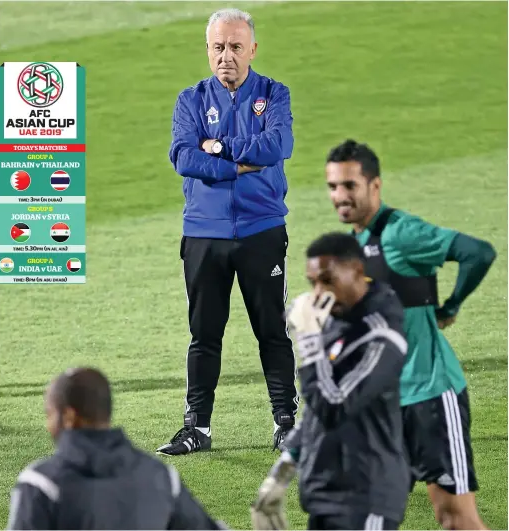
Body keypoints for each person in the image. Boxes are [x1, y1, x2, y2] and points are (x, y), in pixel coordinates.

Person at [324, 139, 496, 530]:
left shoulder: (402, 233)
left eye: (350, 185)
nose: (340, 196)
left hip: (430, 397)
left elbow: (478, 253)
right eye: (333, 186)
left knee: (455, 518)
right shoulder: (352, 246)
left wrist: (450, 306)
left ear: (374, 186)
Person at [160, 7, 297, 456]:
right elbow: (182, 156)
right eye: (218, 47)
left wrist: (217, 149)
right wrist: (242, 163)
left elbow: (278, 146)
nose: (226, 57)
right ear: (208, 50)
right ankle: (197, 427)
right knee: (204, 334)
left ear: (252, 49)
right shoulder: (191, 100)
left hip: (262, 230)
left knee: (271, 330)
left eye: (236, 47)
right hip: (204, 233)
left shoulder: (274, 93)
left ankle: (287, 422)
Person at [251, 233, 411, 530]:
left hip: (368, 496)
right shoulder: (335, 321)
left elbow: (333, 406)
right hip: (327, 494)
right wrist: (281, 472)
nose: (319, 293)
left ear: (358, 273)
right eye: (313, 283)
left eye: (328, 281)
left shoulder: (382, 335)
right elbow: (315, 410)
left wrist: (309, 342)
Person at [7, 368, 224, 530]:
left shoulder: (42, 484)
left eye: (50, 414)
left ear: (69, 417)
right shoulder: (161, 478)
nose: (48, 424)